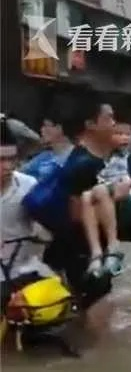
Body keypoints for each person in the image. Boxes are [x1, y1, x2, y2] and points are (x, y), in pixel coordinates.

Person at [48, 102, 121, 311]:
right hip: (80, 253)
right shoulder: (81, 164)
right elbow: (76, 214)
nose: (113, 123)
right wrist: (116, 196)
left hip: (91, 250)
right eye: (108, 118)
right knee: (91, 309)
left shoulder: (96, 160)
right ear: (91, 124)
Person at [0, 120, 69, 321]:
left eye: (12, 159)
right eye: (1, 159)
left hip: (24, 271)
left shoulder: (29, 186)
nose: (8, 166)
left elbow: (52, 230)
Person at [80, 122, 131, 277]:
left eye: (127, 134)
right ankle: (96, 252)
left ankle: (113, 247)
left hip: (129, 195)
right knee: (86, 196)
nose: (124, 138)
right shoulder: (101, 157)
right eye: (119, 134)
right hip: (104, 193)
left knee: (98, 191)